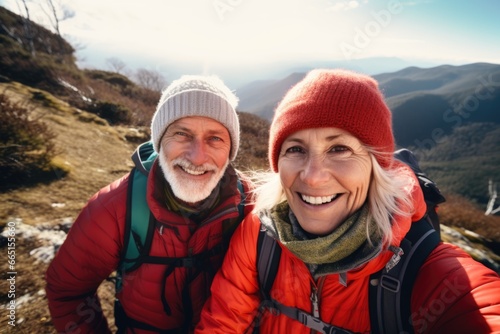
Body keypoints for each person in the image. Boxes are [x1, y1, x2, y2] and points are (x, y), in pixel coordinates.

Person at [196, 69, 500, 333]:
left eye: (339, 149)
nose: (313, 177)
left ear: (375, 166)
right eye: (295, 149)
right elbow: (223, 323)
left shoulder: (424, 268)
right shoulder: (260, 232)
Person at [45, 75, 253, 333]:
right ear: (159, 141)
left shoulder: (251, 207)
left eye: (215, 139)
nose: (197, 157)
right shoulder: (115, 208)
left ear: (230, 149)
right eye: (181, 133)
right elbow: (68, 290)